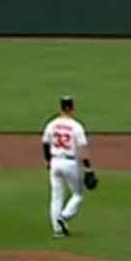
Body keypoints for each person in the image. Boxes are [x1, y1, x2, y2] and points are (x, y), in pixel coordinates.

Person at [41, 95, 94, 237]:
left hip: (55, 162)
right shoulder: (76, 126)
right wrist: (88, 169)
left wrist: (47, 160)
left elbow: (45, 143)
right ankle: (63, 217)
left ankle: (58, 230)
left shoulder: (51, 124)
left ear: (60, 108)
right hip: (70, 163)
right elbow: (83, 149)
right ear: (72, 108)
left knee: (56, 196)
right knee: (77, 194)